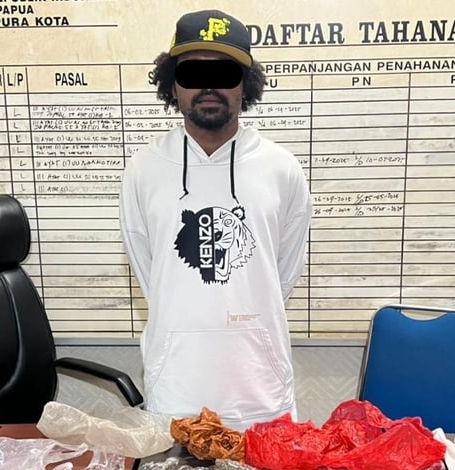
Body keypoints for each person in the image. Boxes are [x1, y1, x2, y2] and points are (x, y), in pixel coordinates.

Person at [119, 9, 312, 432]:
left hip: (261, 391)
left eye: (224, 72)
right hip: (175, 390)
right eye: (192, 72)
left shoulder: (282, 169)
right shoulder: (143, 169)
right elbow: (150, 274)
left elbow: (281, 276)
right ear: (173, 83)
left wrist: (244, 317)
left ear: (246, 83)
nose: (208, 86)